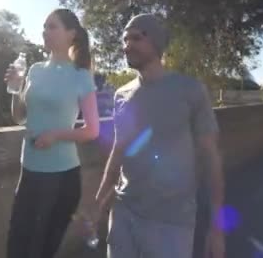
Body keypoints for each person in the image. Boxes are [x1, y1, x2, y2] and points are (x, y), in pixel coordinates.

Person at [94, 14, 225, 258]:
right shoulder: (121, 95)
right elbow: (119, 149)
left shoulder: (190, 90)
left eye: (136, 37)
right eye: (124, 39)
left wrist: (217, 228)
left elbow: (211, 157)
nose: (127, 45)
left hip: (172, 221)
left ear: (156, 42)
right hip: (124, 214)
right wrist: (102, 198)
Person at [3, 8, 100, 258]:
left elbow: (92, 130)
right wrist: (14, 89)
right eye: (44, 26)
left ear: (71, 34)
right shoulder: (34, 70)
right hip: (29, 173)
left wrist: (56, 135)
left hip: (61, 178)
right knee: (17, 246)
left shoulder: (81, 75)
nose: (45, 32)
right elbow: (20, 116)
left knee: (39, 250)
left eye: (52, 26)